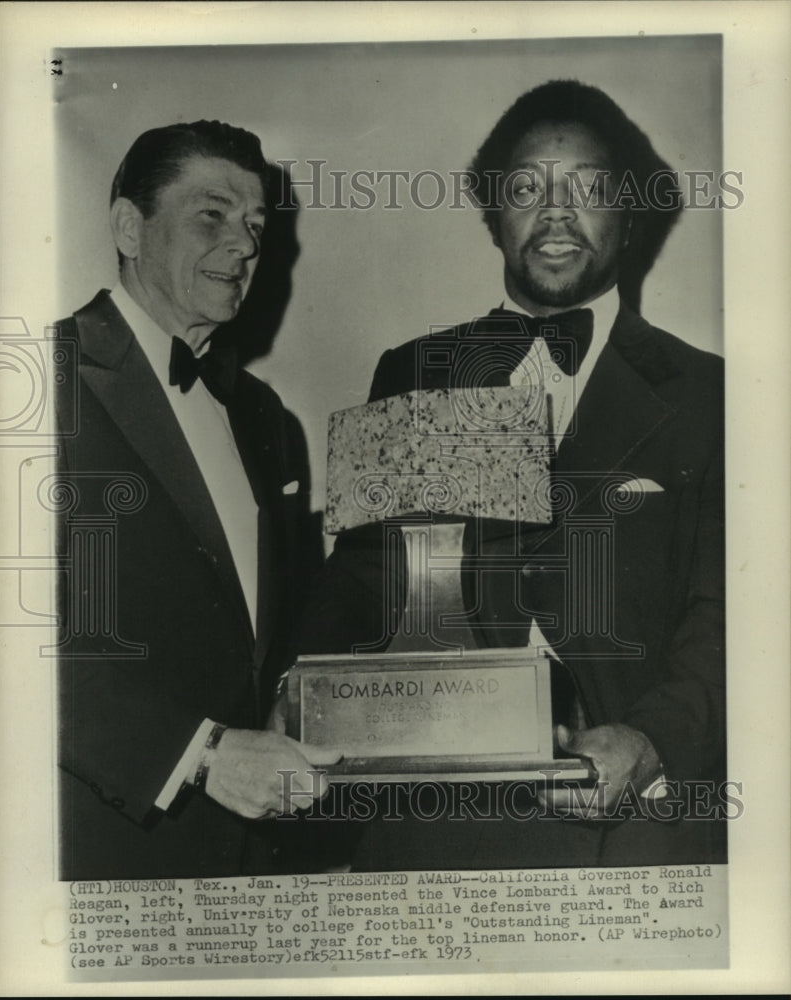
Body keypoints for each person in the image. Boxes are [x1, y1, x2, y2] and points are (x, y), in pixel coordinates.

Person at [297, 81, 725, 868]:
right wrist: (289, 710)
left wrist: (651, 740)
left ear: (629, 214)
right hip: (434, 826)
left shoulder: (710, 393)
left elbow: (729, 610)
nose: (555, 213)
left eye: (588, 189)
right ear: (492, 213)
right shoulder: (416, 371)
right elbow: (360, 582)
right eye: (526, 189)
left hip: (635, 830)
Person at [54, 120, 337, 880]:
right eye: (211, 214)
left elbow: (278, 629)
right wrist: (201, 753)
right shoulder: (38, 383)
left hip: (260, 855)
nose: (244, 244)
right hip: (104, 848)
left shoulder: (266, 416)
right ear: (128, 225)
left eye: (254, 225)